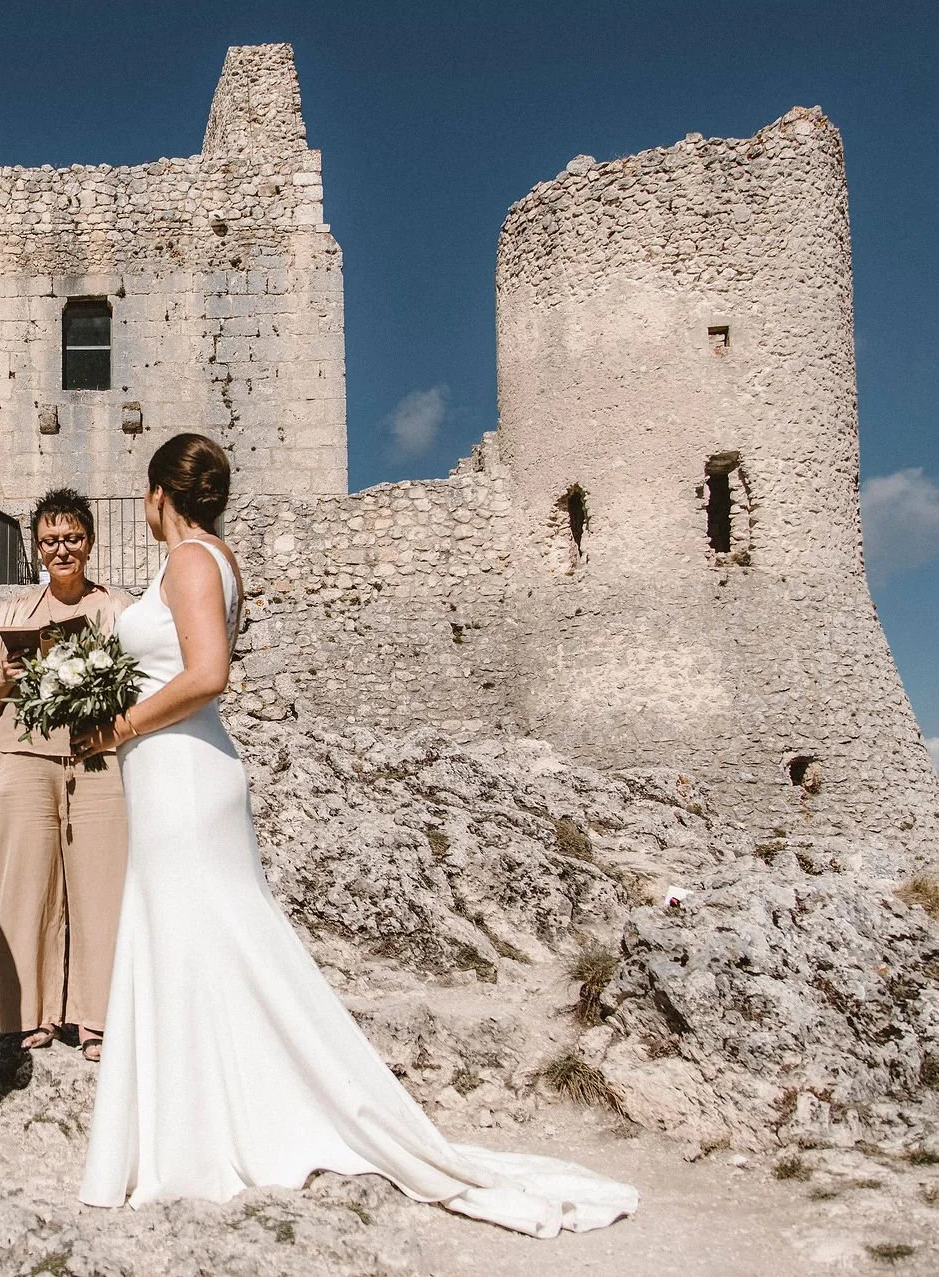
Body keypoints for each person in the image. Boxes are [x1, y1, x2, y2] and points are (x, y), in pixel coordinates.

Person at [71, 433, 638, 1236]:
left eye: (146, 490)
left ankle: (215, 1124)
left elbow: (207, 674)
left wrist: (119, 724)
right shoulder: (199, 561)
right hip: (170, 775)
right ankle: (200, 1116)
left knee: (211, 935)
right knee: (191, 940)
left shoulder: (193, 560)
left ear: (161, 494)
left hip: (185, 775)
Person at [0, 489, 132, 1062]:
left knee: (103, 884)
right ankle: (29, 1015)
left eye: (72, 539)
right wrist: (8, 678)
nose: (61, 550)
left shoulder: (120, 610)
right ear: (37, 548)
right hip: (24, 756)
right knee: (25, 885)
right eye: (49, 541)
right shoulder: (12, 614)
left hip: (97, 755)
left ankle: (99, 1017)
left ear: (89, 542)